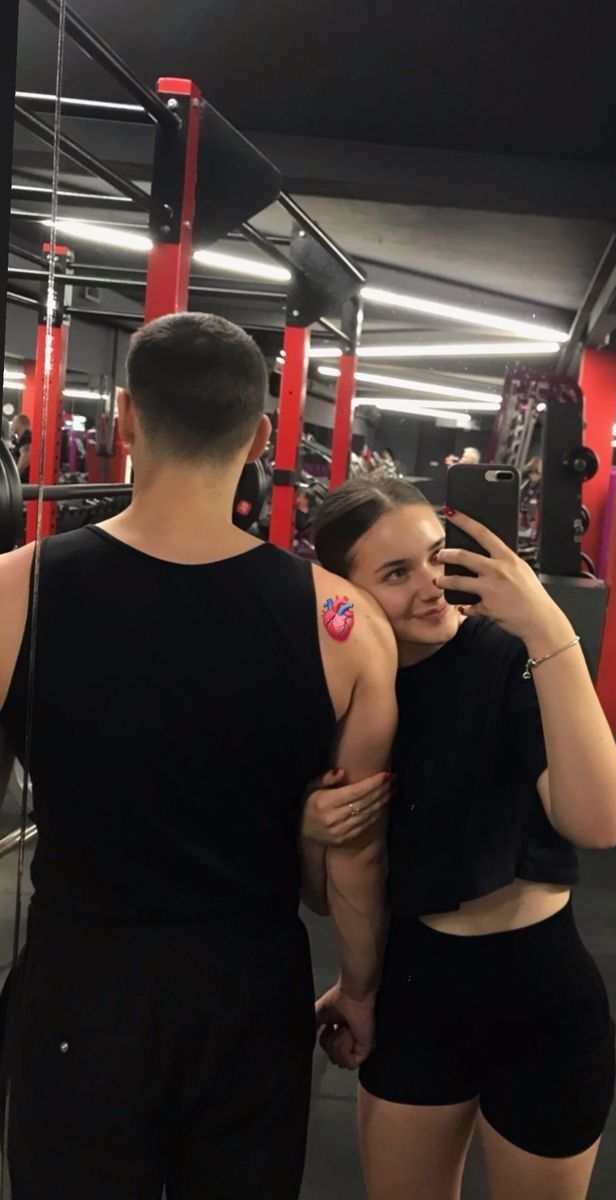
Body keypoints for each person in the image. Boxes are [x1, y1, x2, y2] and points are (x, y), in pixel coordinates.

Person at [0, 313, 397, 1199]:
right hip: (247, 984)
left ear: (127, 421)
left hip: (83, 979)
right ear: (261, 436)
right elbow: (357, 850)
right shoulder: (344, 626)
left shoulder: (13, 589)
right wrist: (360, 989)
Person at [302, 476, 616, 1200]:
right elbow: (325, 895)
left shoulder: (507, 655)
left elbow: (601, 823)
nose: (430, 584)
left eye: (435, 556)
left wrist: (546, 627)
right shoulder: (342, 688)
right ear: (344, 589)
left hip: (538, 991)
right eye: (395, 573)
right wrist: (308, 831)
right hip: (415, 987)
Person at [10, 412, 32, 482]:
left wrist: (14, 478)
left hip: (22, 481)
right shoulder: (21, 439)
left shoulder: (26, 436)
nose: (12, 426)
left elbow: (25, 459)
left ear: (21, 424)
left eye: (14, 423)